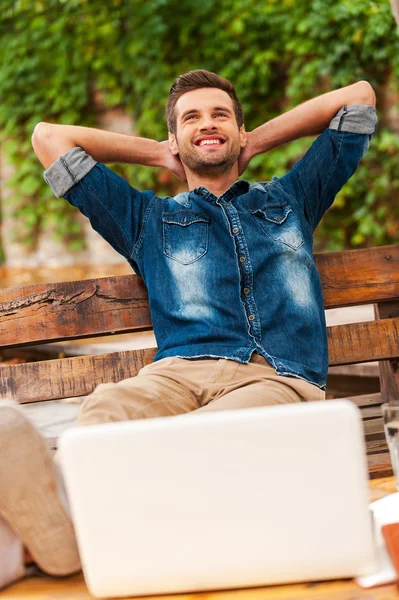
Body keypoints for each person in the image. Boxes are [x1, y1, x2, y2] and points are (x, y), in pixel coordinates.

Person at [0, 70, 377, 589]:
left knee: (209, 437)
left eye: (220, 115)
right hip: (177, 375)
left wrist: (252, 141)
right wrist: (159, 153)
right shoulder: (144, 219)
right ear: (174, 137)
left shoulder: (292, 200)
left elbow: (357, 99)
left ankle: (67, 544)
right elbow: (48, 137)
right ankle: (64, 536)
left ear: (240, 128)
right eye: (191, 119)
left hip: (274, 379)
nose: (208, 125)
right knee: (104, 413)